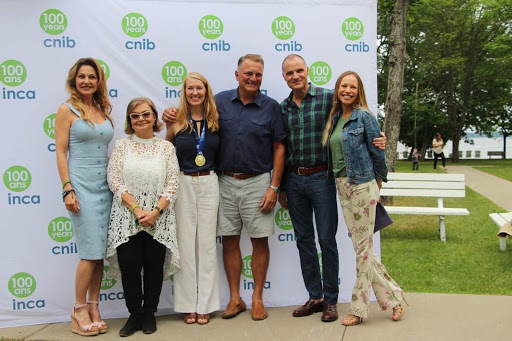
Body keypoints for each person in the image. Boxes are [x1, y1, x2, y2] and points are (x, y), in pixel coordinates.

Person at [163, 54, 286, 321]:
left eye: (258, 74)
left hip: (258, 181)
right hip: (224, 181)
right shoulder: (218, 102)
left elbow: (279, 147)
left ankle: (256, 298)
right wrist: (170, 115)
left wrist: (274, 187)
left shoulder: (271, 107)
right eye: (248, 73)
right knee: (229, 240)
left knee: (259, 240)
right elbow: (191, 118)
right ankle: (234, 298)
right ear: (237, 75)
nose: (253, 78)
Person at [279, 54, 387, 322]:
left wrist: (380, 140)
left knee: (327, 240)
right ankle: (314, 297)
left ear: (307, 71)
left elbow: (358, 121)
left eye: (299, 71)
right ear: (284, 77)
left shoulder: (329, 99)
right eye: (289, 73)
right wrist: (280, 186)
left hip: (323, 178)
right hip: (293, 180)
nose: (295, 76)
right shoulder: (282, 107)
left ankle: (330, 300)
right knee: (304, 240)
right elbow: (280, 148)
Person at [322, 71, 406, 326]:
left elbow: (377, 152)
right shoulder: (335, 118)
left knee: (362, 250)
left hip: (362, 186)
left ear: (359, 92)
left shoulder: (365, 117)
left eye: (353, 87)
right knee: (364, 249)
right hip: (342, 187)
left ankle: (357, 308)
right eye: (344, 86)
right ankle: (395, 299)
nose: (348, 90)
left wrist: (379, 182)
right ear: (337, 89)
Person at [106, 97, 180, 337]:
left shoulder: (166, 148)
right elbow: (114, 180)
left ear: (154, 118)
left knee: (153, 267)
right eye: (135, 115)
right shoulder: (122, 146)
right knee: (129, 267)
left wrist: (155, 212)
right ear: (129, 120)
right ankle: (134, 314)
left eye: (145, 114)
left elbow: (172, 183)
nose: (140, 119)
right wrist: (137, 210)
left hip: (159, 219)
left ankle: (149, 314)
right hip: (127, 218)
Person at [55, 57, 114, 337]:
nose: (87, 81)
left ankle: (93, 306)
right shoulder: (66, 110)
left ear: (98, 80)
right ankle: (78, 310)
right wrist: (68, 188)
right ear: (74, 80)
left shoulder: (102, 109)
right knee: (89, 253)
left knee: (99, 253)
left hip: (106, 188)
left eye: (92, 76)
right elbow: (60, 152)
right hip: (81, 187)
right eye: (82, 77)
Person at [165, 72, 221, 325]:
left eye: (199, 88)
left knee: (207, 245)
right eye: (190, 88)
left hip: (209, 181)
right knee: (185, 245)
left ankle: (206, 305)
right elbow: (166, 153)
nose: (194, 92)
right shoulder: (176, 121)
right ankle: (187, 305)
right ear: (184, 92)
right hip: (183, 181)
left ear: (206, 91)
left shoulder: (217, 119)